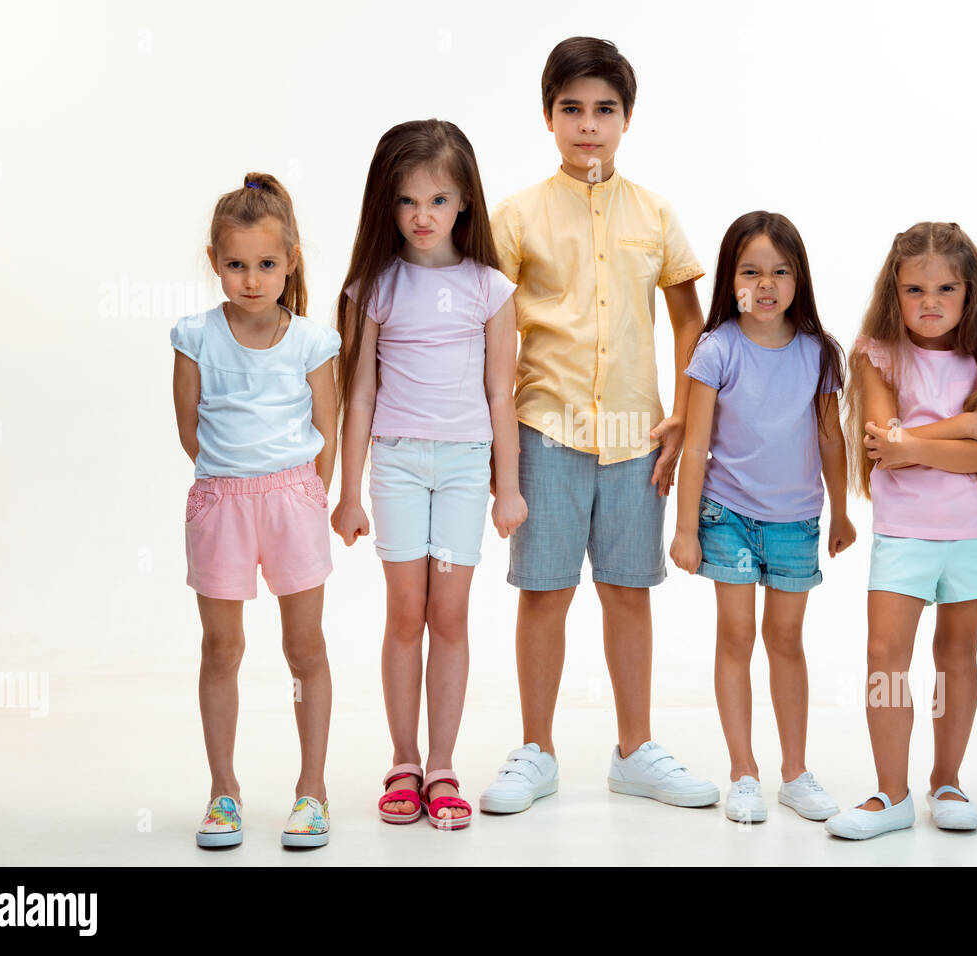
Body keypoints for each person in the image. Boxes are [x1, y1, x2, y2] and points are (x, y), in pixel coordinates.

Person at [480, 36, 719, 812]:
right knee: (543, 592)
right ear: (548, 116)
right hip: (544, 431)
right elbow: (495, 333)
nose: (589, 124)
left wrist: (682, 415)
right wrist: (499, 444)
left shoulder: (653, 213)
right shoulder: (515, 217)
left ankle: (634, 749)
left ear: (627, 119)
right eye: (572, 109)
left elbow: (689, 323)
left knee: (628, 590)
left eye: (605, 110)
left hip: (634, 439)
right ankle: (537, 750)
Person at [332, 120, 526, 830]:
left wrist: (509, 487)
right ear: (387, 204)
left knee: (449, 614)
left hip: (467, 467)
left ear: (465, 203)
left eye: (439, 201)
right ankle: (403, 758)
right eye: (408, 201)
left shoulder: (490, 289)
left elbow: (502, 392)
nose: (422, 216)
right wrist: (347, 492)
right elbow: (358, 393)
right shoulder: (375, 286)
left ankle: (442, 763)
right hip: (398, 465)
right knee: (405, 611)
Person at [826, 221, 977, 839]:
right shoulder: (877, 354)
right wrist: (964, 424)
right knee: (885, 657)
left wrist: (919, 441)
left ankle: (947, 780)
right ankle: (891, 793)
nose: (931, 303)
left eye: (946, 288)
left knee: (955, 655)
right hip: (905, 531)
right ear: (895, 292)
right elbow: (881, 447)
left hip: (975, 530)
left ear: (971, 292)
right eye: (915, 290)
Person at [170, 172, 340, 848]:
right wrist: (232, 482)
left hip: (292, 500)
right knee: (222, 646)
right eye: (236, 264)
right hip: (222, 504)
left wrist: (301, 493)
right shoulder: (195, 337)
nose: (250, 279)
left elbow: (327, 429)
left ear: (289, 261)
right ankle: (223, 791)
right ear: (216, 262)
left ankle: (313, 790)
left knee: (305, 648)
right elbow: (191, 431)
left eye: (266, 264)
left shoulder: (311, 342)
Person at [671, 211, 855, 824]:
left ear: (799, 279)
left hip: (796, 520)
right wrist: (686, 527)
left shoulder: (818, 355)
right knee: (735, 636)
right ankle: (743, 770)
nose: (766, 284)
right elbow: (695, 445)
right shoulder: (716, 349)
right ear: (731, 280)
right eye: (751, 271)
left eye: (780, 271)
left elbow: (831, 438)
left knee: (785, 642)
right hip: (727, 513)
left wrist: (843, 512)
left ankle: (795, 773)